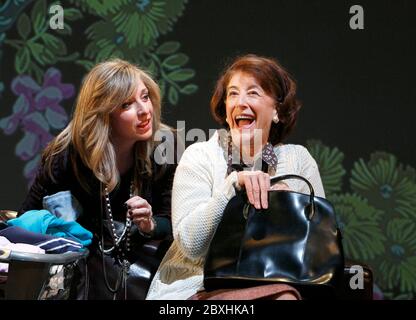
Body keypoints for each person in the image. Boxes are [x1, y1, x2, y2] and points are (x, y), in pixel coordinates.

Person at [146, 54, 325, 300]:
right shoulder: (200, 156)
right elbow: (190, 245)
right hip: (197, 287)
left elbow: (319, 246)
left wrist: (289, 208)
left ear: (277, 111)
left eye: (253, 93)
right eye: (232, 93)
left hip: (279, 280)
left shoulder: (298, 160)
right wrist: (232, 187)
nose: (240, 102)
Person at [19, 59, 177, 299]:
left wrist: (149, 224)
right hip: (79, 279)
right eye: (127, 104)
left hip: (143, 278)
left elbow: (173, 222)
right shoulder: (66, 156)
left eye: (145, 97)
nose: (144, 110)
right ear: (104, 113)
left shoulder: (163, 148)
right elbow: (25, 220)